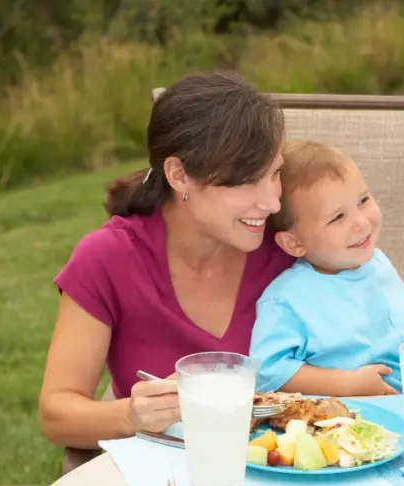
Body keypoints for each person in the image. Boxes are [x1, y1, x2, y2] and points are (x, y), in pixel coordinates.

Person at [39, 70, 293, 449]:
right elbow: (57, 413)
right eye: (245, 182)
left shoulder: (288, 246)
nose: (272, 202)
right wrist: (131, 415)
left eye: (274, 174)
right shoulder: (108, 260)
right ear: (178, 175)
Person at [249, 140, 404, 396]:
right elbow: (267, 369)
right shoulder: (288, 299)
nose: (360, 222)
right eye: (337, 217)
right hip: (339, 421)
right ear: (294, 243)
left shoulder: (377, 263)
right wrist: (345, 384)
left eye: (363, 200)